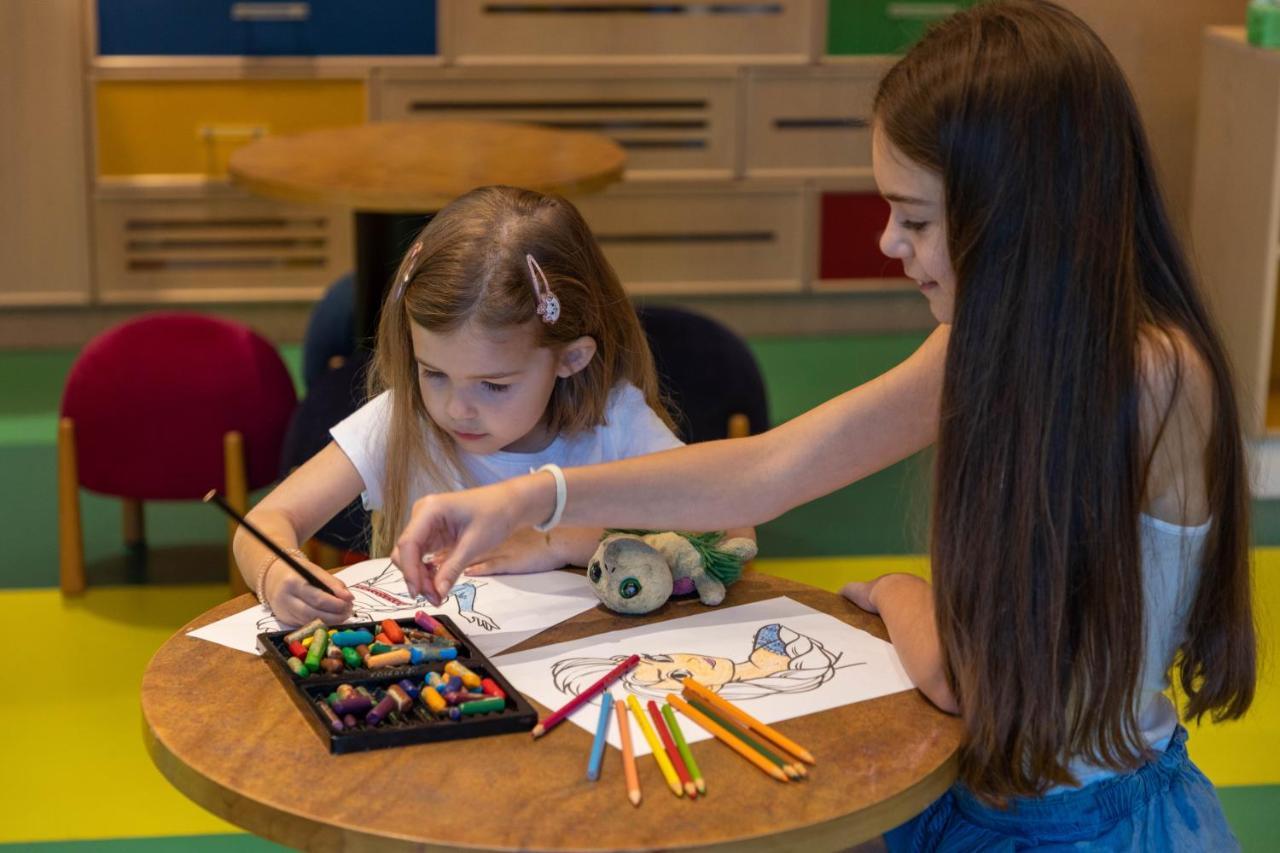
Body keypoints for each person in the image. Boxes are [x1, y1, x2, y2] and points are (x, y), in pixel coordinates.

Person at [389, 3, 1256, 848]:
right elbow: (770, 467)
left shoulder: (1154, 378)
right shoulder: (988, 343)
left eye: (914, 217)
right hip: (973, 794)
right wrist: (531, 496)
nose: (887, 241)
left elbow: (966, 677)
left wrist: (901, 594)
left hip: (1088, 826)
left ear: (1021, 212)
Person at [234, 185, 690, 627]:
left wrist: (561, 542)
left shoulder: (616, 423)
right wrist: (277, 572)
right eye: (432, 373)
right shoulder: (402, 420)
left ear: (571, 358)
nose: (456, 409)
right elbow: (265, 521)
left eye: (493, 385)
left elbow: (728, 534)